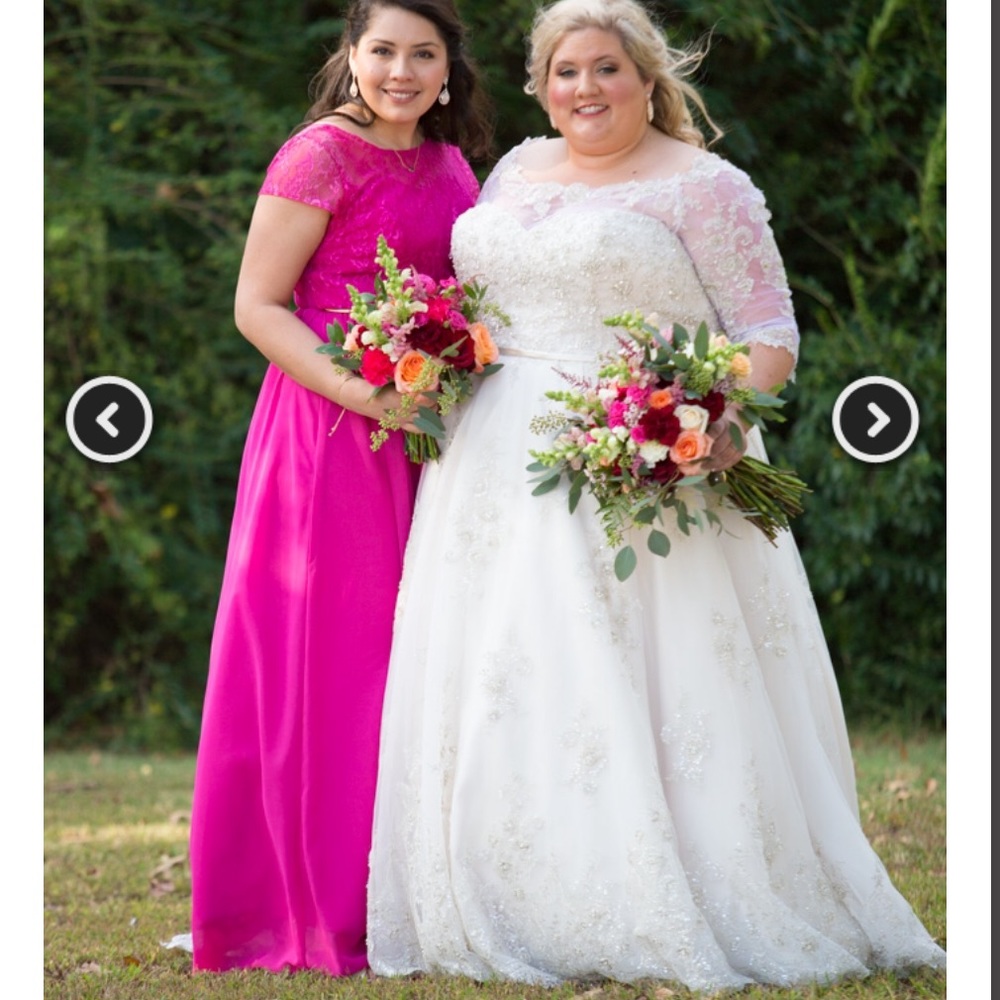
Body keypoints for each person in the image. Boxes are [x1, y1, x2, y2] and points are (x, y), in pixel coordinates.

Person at [366, 0, 946, 989]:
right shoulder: (509, 173)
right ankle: (515, 888)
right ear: (539, 85)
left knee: (642, 676)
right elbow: (488, 312)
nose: (583, 89)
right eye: (563, 72)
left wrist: (701, 414)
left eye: (605, 70)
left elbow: (769, 338)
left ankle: (672, 891)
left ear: (646, 79)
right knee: (513, 670)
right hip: (491, 464)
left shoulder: (705, 187)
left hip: (641, 457)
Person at [188, 0, 491, 975]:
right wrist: (369, 396)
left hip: (429, 438)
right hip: (329, 436)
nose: (400, 70)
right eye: (382, 50)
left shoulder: (450, 164)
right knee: (336, 664)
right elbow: (256, 304)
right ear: (350, 57)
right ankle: (316, 906)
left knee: (418, 664)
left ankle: (414, 887)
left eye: (422, 54)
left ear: (449, 70)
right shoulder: (319, 154)